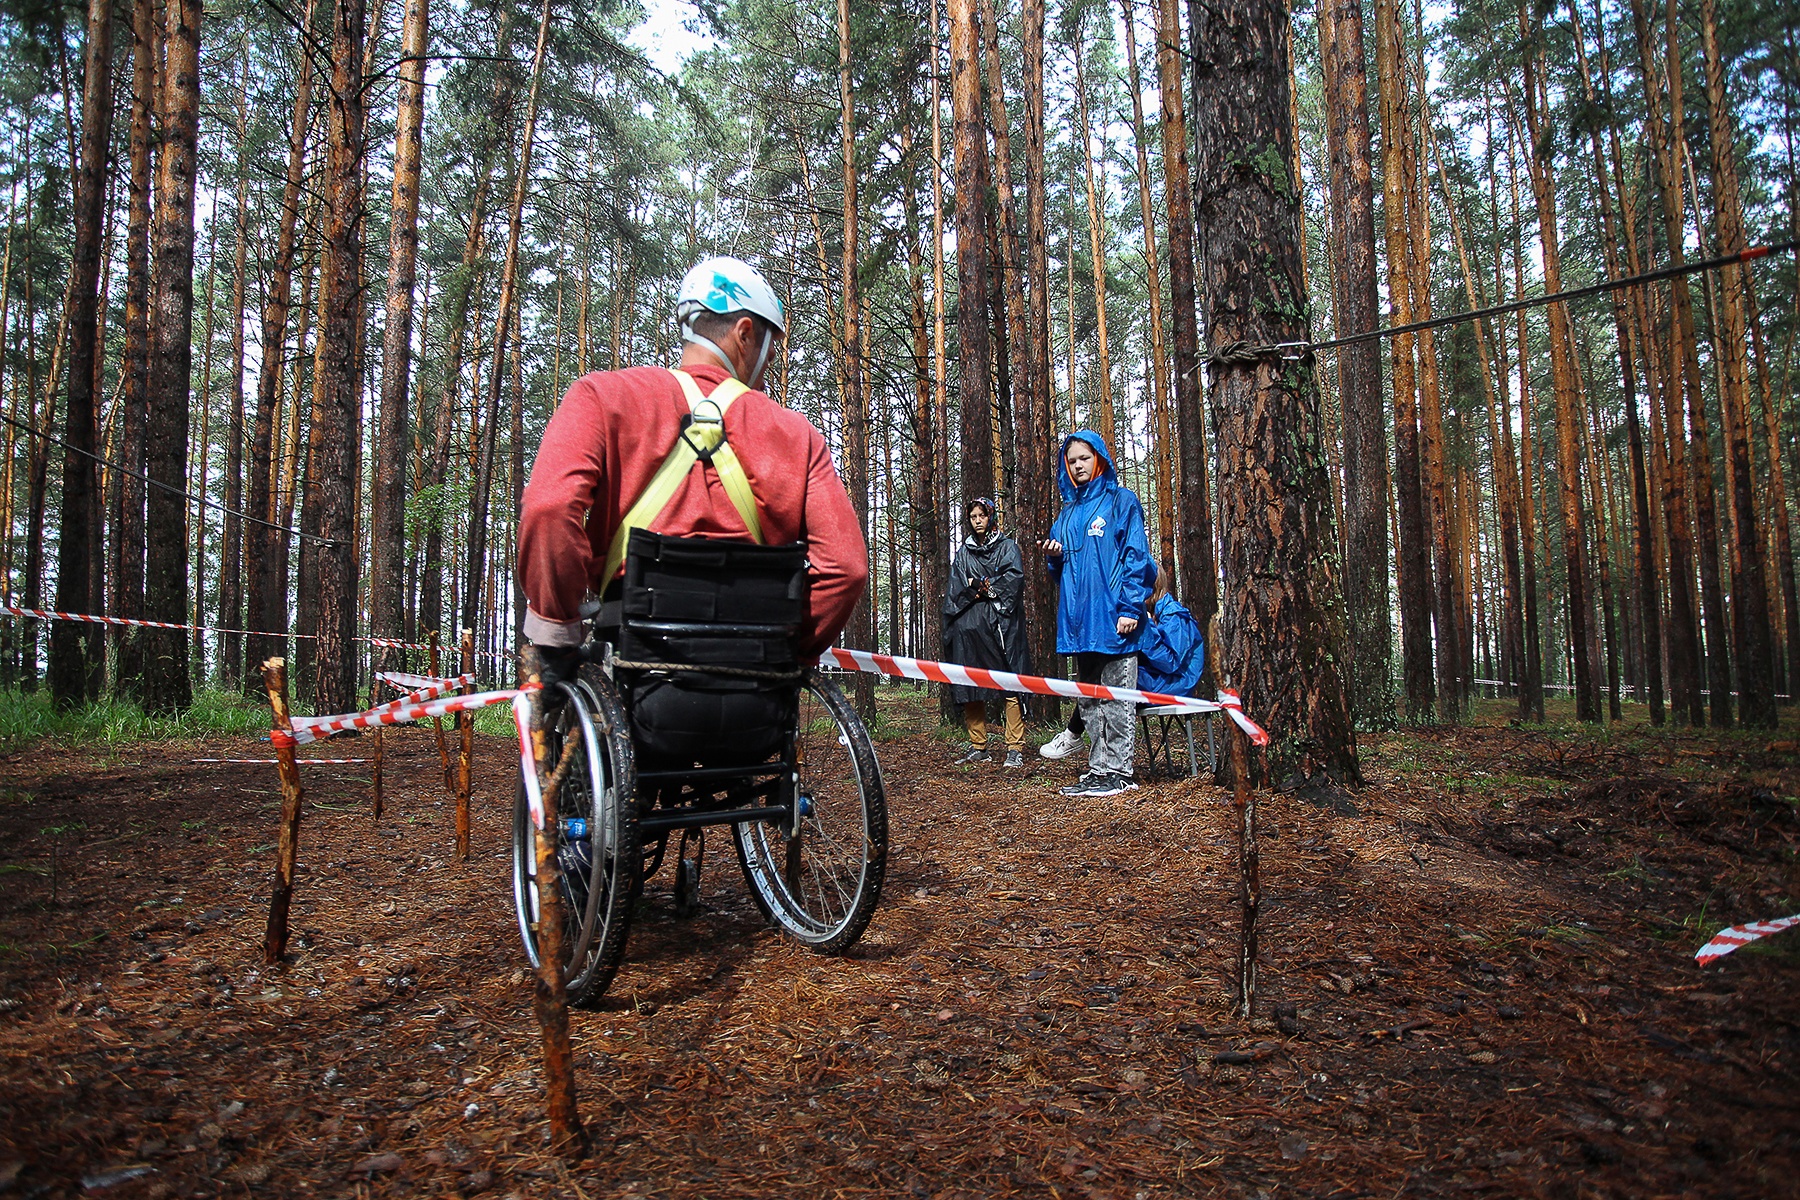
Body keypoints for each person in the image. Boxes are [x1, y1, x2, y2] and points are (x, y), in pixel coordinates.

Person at [518, 255, 868, 675]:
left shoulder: (602, 396)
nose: (770, 362)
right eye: (769, 346)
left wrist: (558, 627)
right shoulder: (798, 434)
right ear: (744, 333)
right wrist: (789, 650)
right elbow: (846, 570)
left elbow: (549, 509)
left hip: (635, 653)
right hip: (753, 676)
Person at [1040, 430, 1155, 798]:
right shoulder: (1067, 513)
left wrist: (1131, 608)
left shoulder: (1122, 502)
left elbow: (1138, 557)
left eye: (1084, 458)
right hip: (1078, 624)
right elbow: (1058, 572)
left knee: (1117, 699)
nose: (1078, 465)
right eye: (1071, 461)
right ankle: (1098, 769)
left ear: (1099, 458)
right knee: (1089, 701)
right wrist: (1053, 556)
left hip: (1116, 622)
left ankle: (1120, 772)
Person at [1039, 562, 1204, 759]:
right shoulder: (1155, 612)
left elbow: (1170, 662)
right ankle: (1092, 750)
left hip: (1175, 684)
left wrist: (1147, 628)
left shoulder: (1175, 616)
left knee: (1109, 680)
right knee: (1105, 676)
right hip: (1157, 678)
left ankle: (1076, 737)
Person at [942, 498, 1033, 768]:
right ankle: (978, 745)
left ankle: (1014, 747)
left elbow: (1012, 581)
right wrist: (981, 585)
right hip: (969, 632)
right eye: (973, 516)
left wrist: (980, 585)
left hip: (1002, 628)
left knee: (1010, 684)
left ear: (991, 516)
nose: (978, 520)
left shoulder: (1007, 547)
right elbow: (957, 587)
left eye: (982, 515)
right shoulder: (964, 553)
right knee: (970, 684)